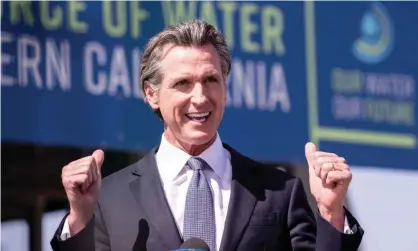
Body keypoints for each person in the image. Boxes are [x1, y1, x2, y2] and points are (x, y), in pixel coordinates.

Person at [50, 19, 364, 251]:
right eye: (183, 83)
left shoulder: (280, 191)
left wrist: (330, 212)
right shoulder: (110, 199)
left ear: (226, 88)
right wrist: (80, 216)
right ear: (151, 94)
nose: (200, 97)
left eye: (211, 80)